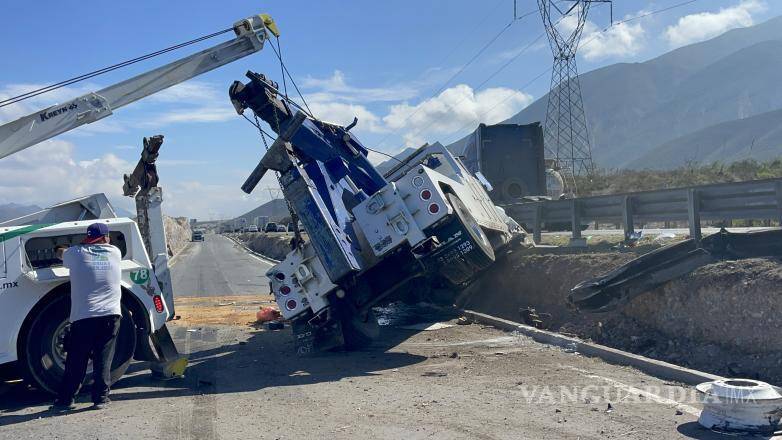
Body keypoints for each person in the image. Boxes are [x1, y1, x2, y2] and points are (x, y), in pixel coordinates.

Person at [51, 222, 123, 411]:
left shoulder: (76, 253)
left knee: (77, 360)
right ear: (106, 238)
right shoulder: (115, 252)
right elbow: (100, 255)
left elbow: (60, 253)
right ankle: (100, 399)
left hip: (84, 317)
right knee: (103, 359)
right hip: (111, 315)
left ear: (89, 238)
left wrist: (59, 247)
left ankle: (66, 401)